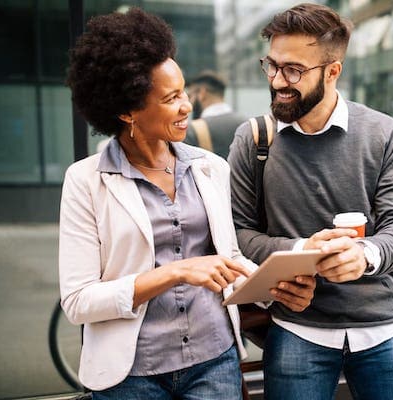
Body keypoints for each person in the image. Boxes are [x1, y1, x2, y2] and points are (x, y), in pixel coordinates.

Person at [60, 7, 315, 399]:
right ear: (127, 111)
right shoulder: (85, 181)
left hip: (214, 363)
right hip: (131, 375)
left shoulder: (210, 168)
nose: (187, 106)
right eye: (171, 98)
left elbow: (227, 261)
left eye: (184, 91)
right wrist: (176, 272)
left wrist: (274, 288)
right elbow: (78, 302)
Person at [228, 3, 393, 400]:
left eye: (294, 70)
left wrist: (365, 255)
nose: (278, 80)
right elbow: (237, 232)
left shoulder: (382, 132)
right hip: (297, 330)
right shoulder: (254, 141)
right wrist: (301, 251)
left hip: (382, 328)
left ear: (333, 71)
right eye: (272, 65)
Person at [184, 70, 245, 159]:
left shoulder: (192, 130)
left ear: (202, 93)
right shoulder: (247, 123)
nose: (190, 102)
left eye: (190, 96)